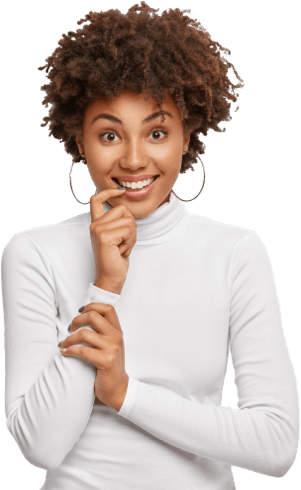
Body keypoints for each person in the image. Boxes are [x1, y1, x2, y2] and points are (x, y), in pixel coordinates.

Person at [2, 2, 299, 489]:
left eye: (157, 132)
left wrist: (123, 394)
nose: (135, 159)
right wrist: (105, 285)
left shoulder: (235, 252)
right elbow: (40, 446)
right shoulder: (34, 254)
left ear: (187, 136)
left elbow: (276, 444)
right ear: (80, 138)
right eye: (110, 134)